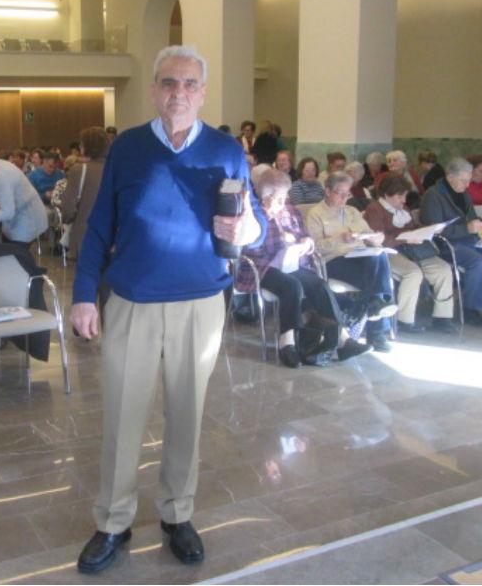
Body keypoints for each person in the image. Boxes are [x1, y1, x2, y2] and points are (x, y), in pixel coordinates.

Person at [71, 45, 267, 574]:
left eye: (189, 84)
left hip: (200, 302)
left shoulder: (225, 150)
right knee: (122, 416)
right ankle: (113, 521)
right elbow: (99, 226)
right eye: (168, 82)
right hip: (133, 301)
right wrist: (84, 293)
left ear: (202, 93)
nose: (178, 92)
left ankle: (177, 514)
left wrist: (246, 229)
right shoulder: (129, 148)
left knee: (187, 413)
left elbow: (255, 222)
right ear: (154, 90)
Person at [236, 169, 371, 367]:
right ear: (266, 196)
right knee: (292, 287)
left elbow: (302, 232)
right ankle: (287, 342)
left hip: (290, 262)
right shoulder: (252, 211)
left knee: (319, 285)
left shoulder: (288, 207)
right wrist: (269, 220)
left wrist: (305, 241)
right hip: (260, 265)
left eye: (284, 196)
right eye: (280, 197)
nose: (284, 201)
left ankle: (344, 340)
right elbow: (248, 246)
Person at [420, 158, 482, 326]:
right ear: (450, 177)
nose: (467, 185)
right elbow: (433, 231)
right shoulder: (433, 196)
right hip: (446, 245)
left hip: (470, 240)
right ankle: (471, 310)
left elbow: (472, 219)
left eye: (468, 180)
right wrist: (467, 229)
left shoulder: (464, 193)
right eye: (464, 180)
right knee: (478, 262)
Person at [305, 172, 397, 352]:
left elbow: (368, 234)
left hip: (359, 257)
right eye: (340, 193)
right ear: (328, 191)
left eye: (347, 194)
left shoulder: (352, 212)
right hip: (333, 261)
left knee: (379, 255)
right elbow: (315, 248)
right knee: (377, 279)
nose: (344, 198)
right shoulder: (315, 214)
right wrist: (339, 238)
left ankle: (375, 304)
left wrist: (376, 239)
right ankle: (377, 328)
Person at [363, 175, 457, 334]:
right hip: (388, 252)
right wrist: (404, 239)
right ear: (386, 194)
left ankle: (442, 318)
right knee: (412, 273)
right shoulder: (375, 209)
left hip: (411, 250)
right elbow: (377, 239)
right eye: (400, 196)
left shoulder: (403, 210)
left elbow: (413, 228)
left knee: (443, 269)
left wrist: (430, 229)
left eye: (405, 195)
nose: (404, 200)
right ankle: (404, 319)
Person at [59, 126, 108, 261]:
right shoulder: (116, 169)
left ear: (86, 146)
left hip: (86, 234)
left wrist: (66, 219)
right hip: (112, 235)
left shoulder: (79, 170)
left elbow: (69, 207)